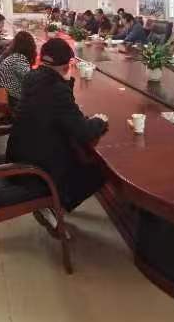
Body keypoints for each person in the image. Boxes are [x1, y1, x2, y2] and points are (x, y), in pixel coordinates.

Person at [6, 38, 108, 222]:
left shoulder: (32, 76)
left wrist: (65, 84)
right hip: (37, 168)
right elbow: (83, 132)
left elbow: (58, 111)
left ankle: (57, 199)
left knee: (75, 147)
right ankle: (60, 199)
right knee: (101, 167)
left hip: (20, 153)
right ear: (67, 65)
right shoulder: (56, 89)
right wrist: (100, 121)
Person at [0, 31, 37, 109]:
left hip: (6, 96)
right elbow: (32, 81)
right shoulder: (17, 60)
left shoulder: (13, 56)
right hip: (12, 101)